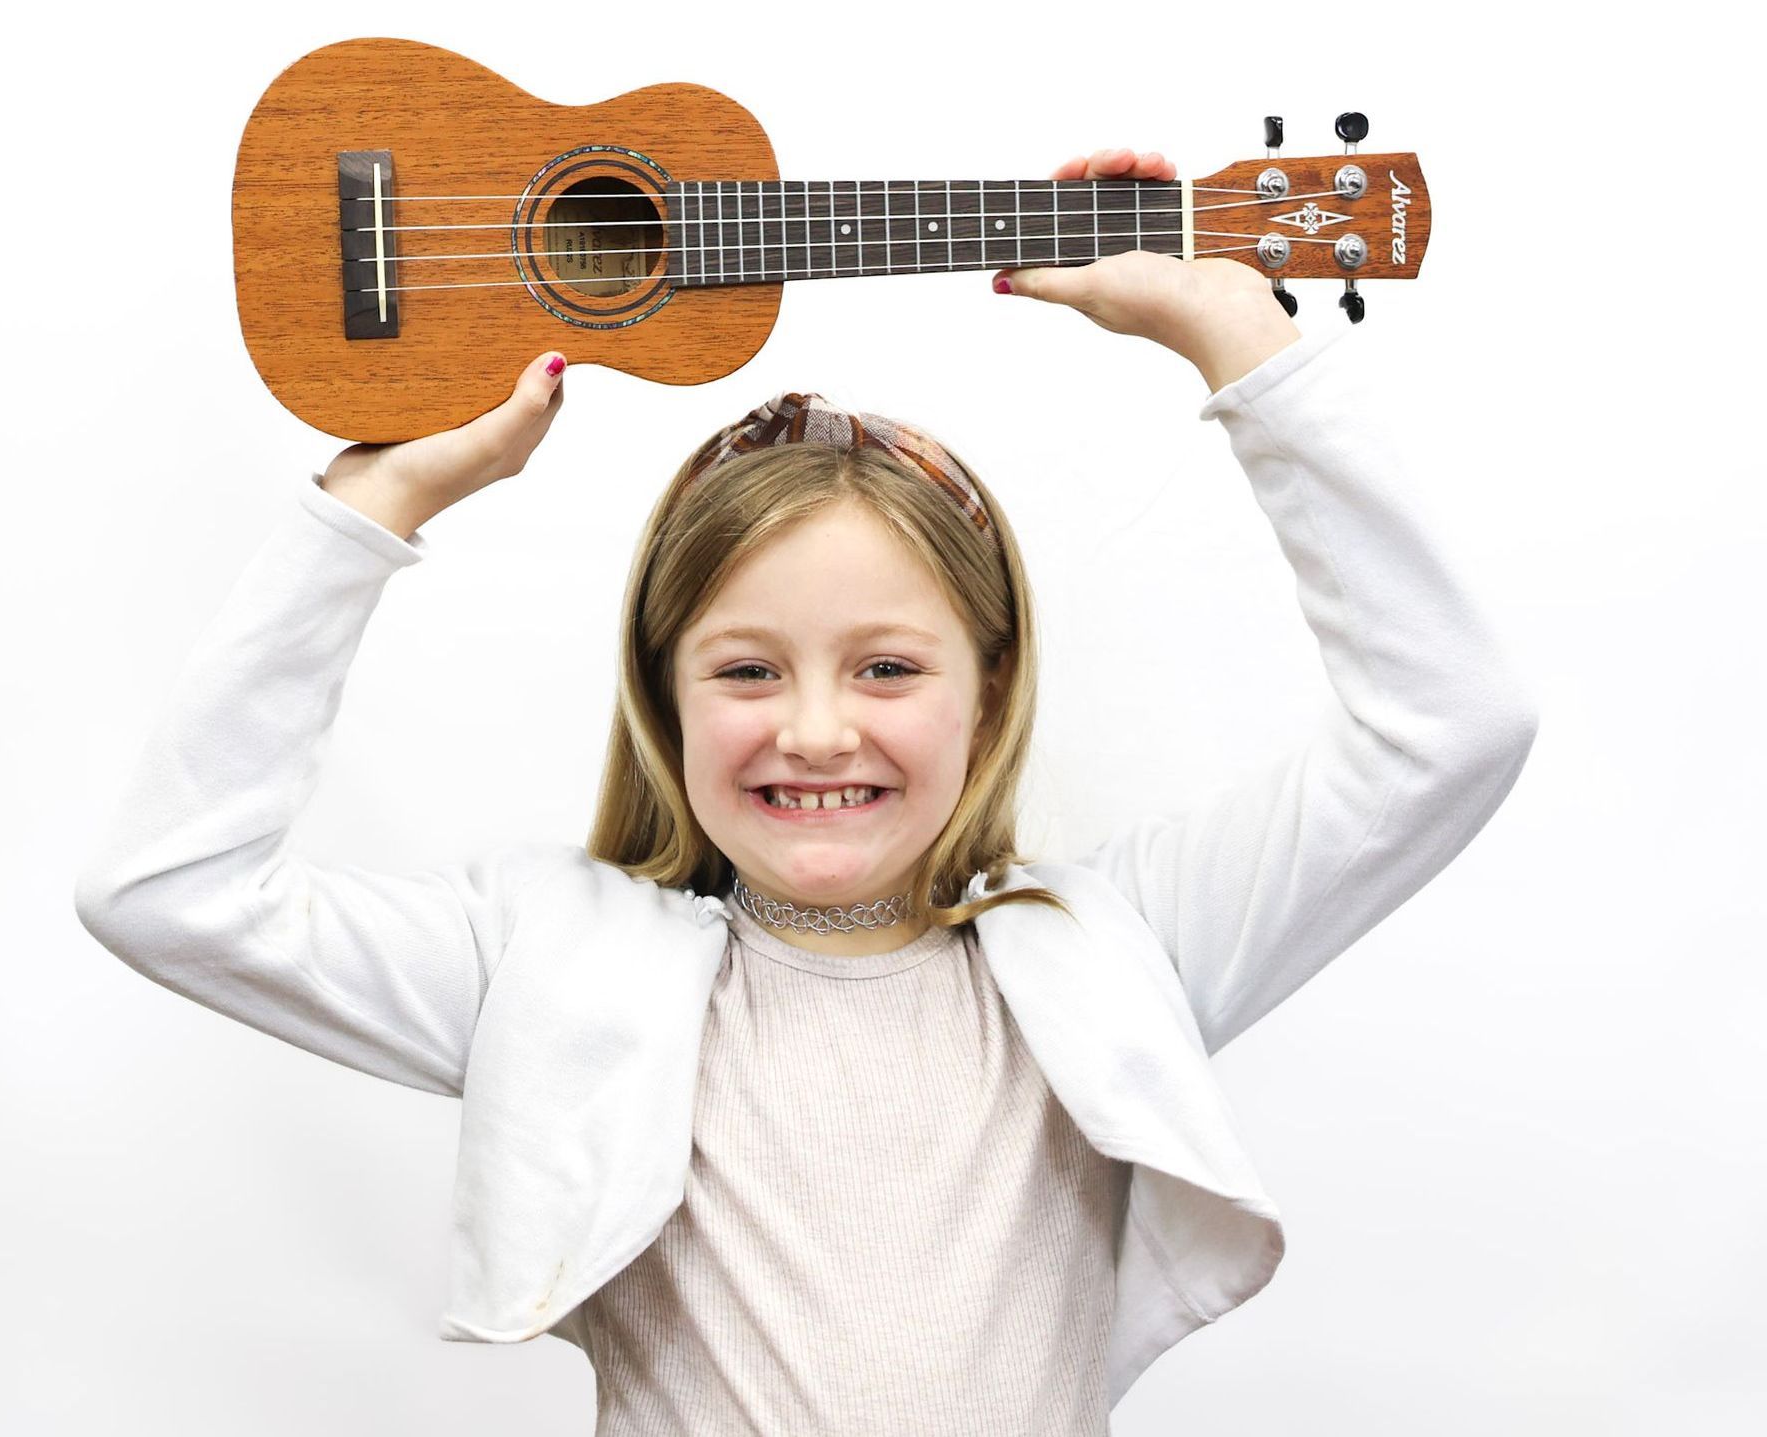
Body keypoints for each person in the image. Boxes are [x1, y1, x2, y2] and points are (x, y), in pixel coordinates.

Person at [74, 146, 1540, 1432]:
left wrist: (1248, 352)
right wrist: (375, 508)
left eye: (889, 669)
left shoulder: (1120, 951)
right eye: (750, 671)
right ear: (663, 692)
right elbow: (166, 892)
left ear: (990, 684)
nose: (819, 729)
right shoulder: (548, 961)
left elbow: (1453, 724)